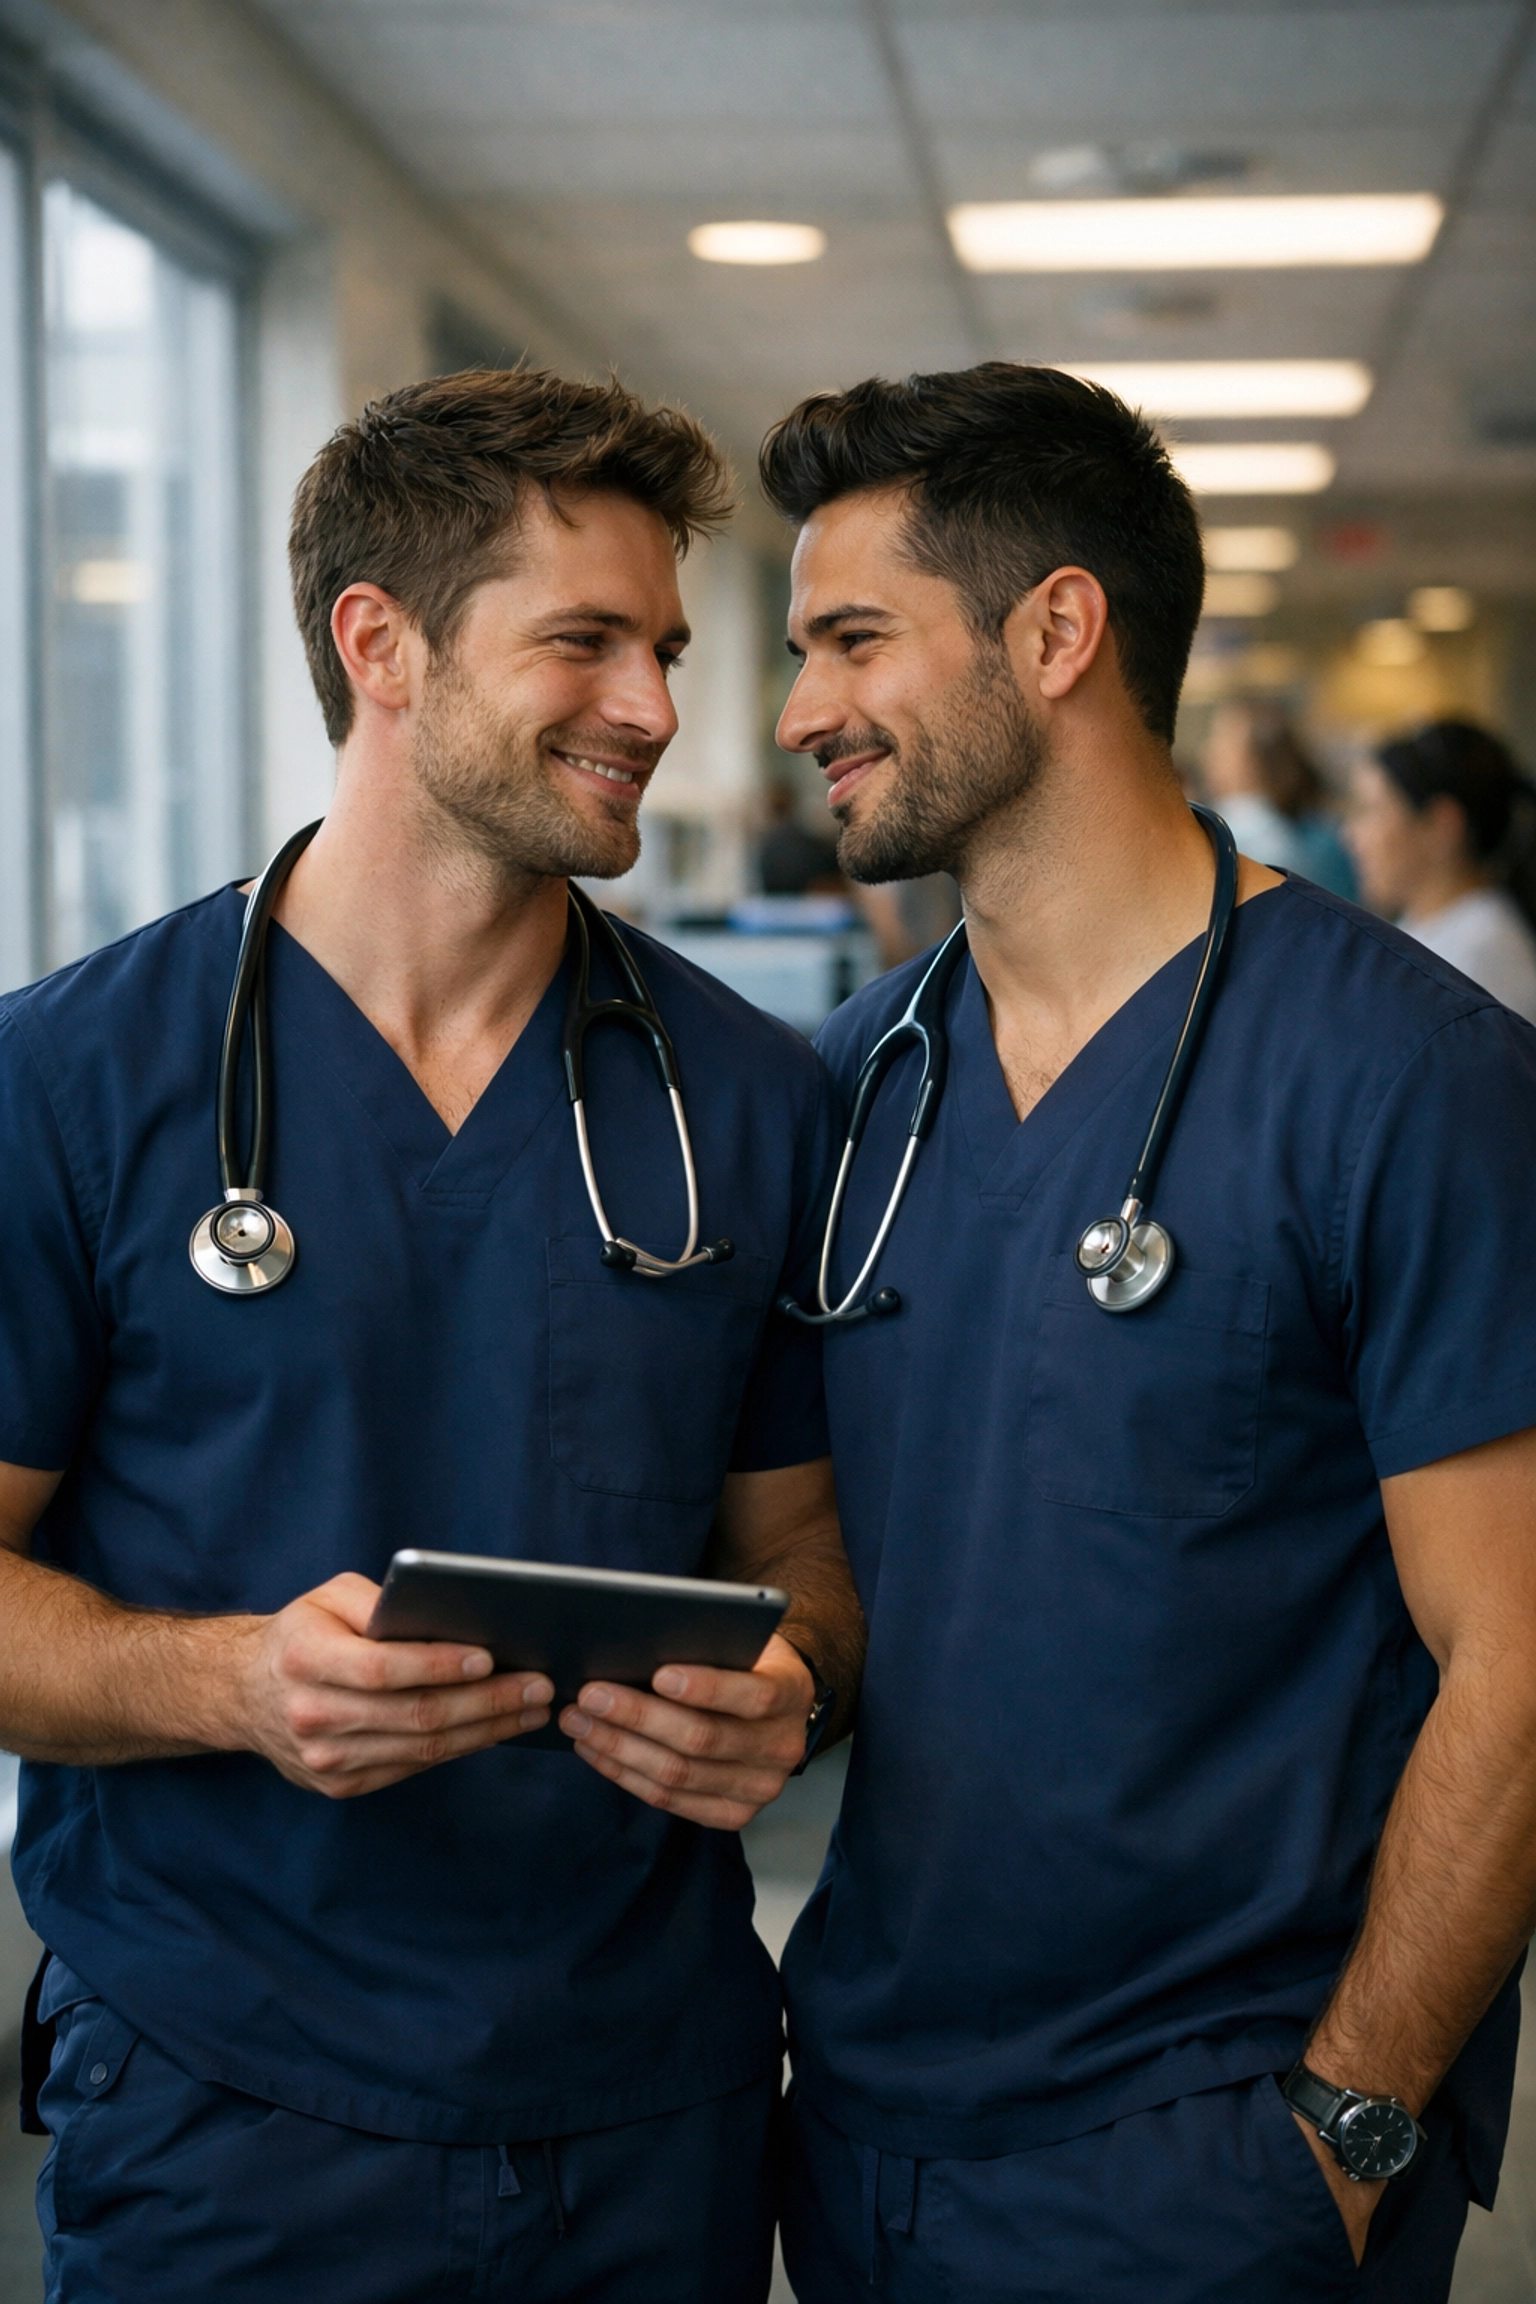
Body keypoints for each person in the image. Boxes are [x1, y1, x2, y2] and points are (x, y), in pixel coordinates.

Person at [0, 367, 864, 2304]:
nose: (654, 707)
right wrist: (233, 1683)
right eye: (586, 641)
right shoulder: (72, 1082)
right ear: (376, 645)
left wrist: (795, 1682)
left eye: (663, 645)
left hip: (645, 2121)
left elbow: (803, 1554)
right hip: (227, 2117)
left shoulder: (739, 1099)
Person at [758, 362, 1536, 2302]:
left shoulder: (1410, 1077)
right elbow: (862, 1576)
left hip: (1213, 2160)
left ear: (1057, 631)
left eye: (854, 640)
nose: (796, 716)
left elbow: (1520, 1662)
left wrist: (1346, 2135)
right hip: (860, 2129)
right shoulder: (857, 1089)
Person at [1345, 720, 1536, 1024]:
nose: (1351, 835)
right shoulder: (1431, 929)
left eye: (1372, 809)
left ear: (1442, 825)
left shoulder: (1482, 956)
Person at [1201, 698, 1356, 898]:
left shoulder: (1244, 833)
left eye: (1223, 739)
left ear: (1255, 762)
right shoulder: (1318, 831)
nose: (1209, 750)